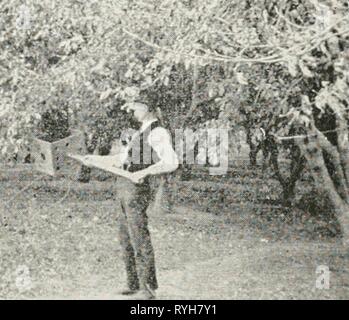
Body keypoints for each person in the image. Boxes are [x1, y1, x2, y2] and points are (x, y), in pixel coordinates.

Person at [81, 101, 179, 300]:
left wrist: (144, 172)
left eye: (136, 107)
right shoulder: (139, 132)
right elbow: (120, 160)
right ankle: (133, 283)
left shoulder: (158, 132)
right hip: (124, 186)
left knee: (139, 237)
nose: (132, 111)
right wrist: (93, 159)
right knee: (125, 237)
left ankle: (148, 288)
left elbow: (171, 162)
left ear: (147, 108)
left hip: (137, 189)